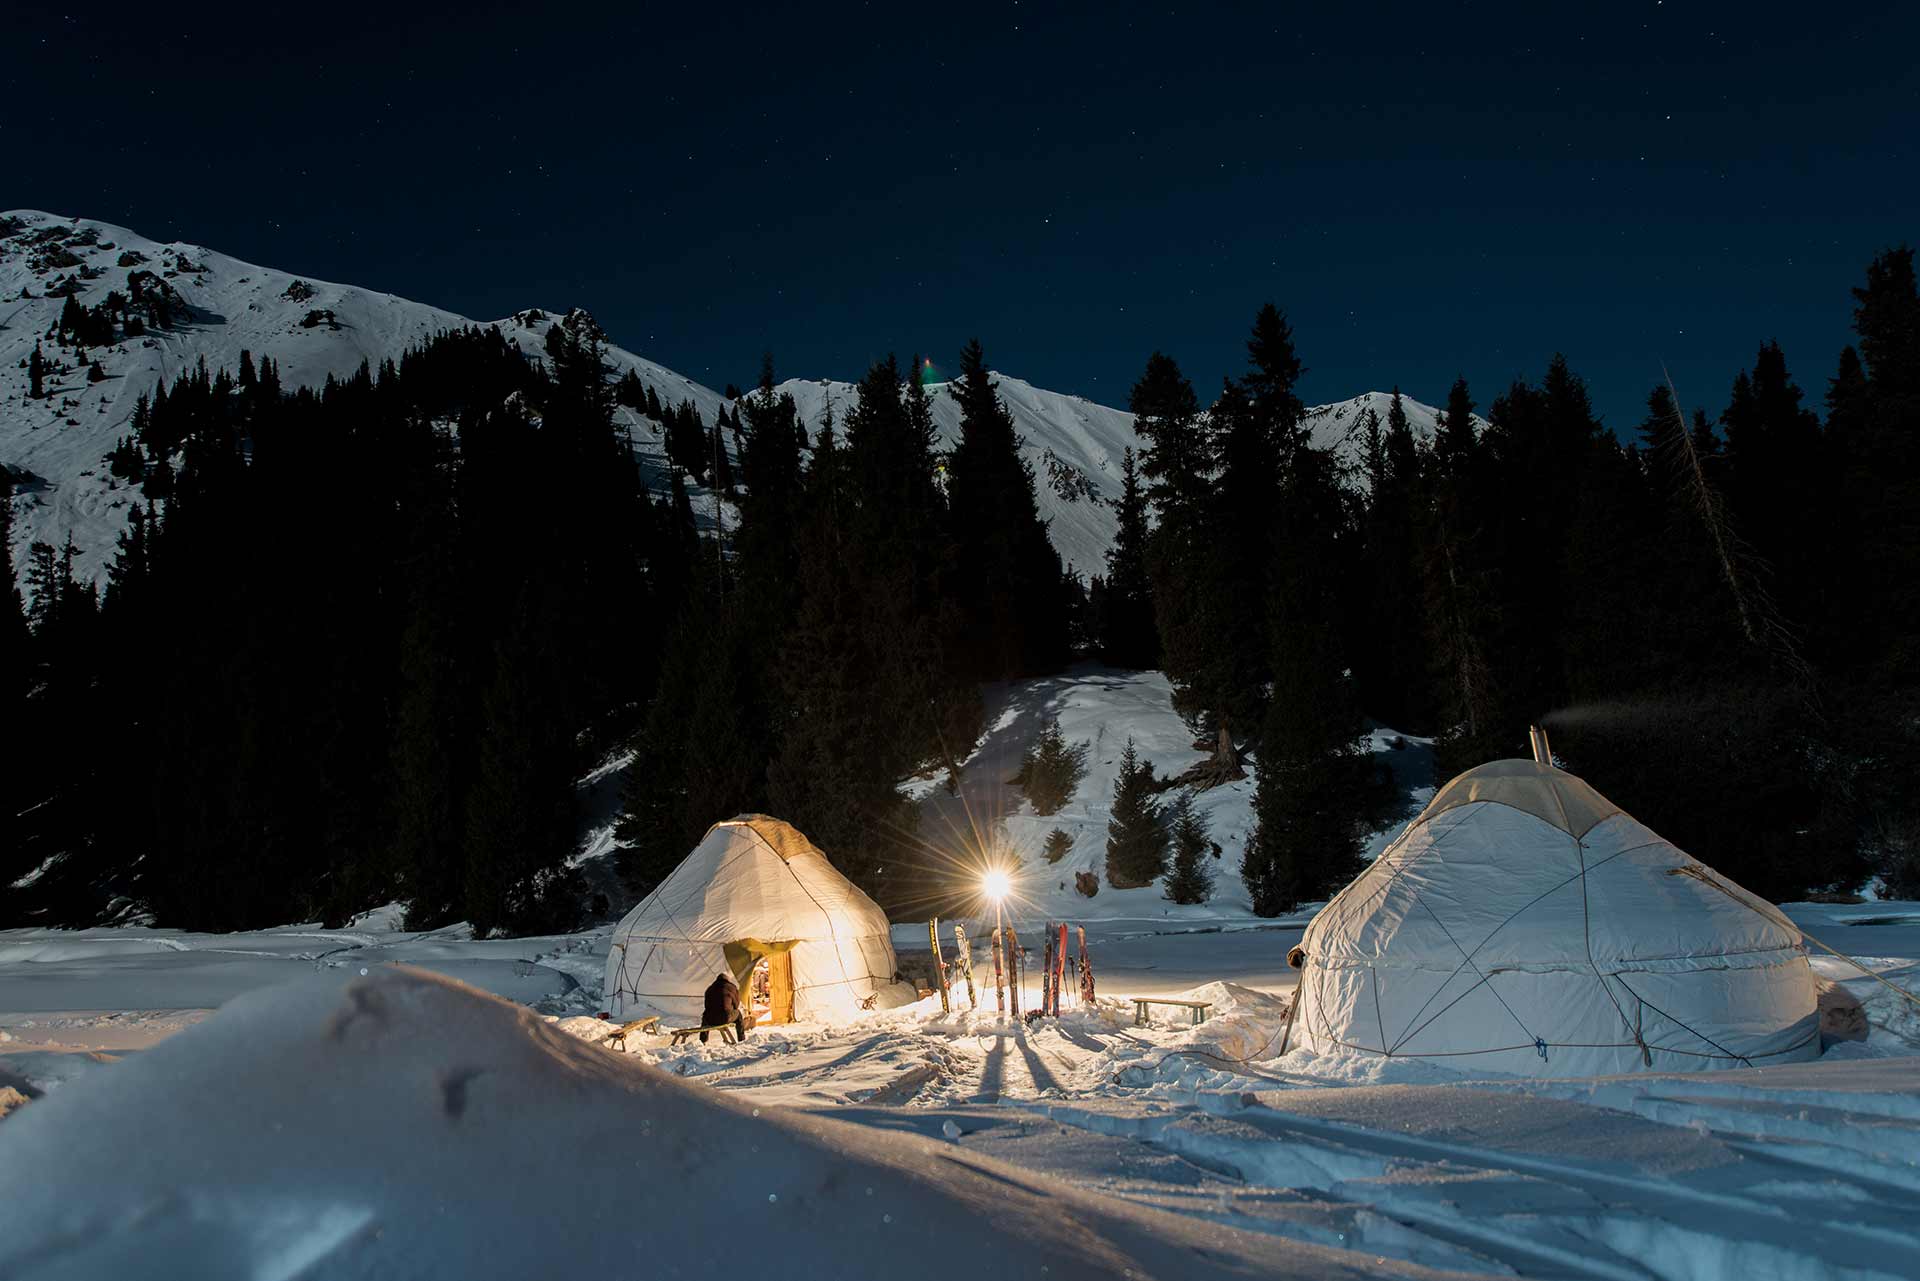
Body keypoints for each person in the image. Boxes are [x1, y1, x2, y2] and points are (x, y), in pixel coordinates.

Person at [700, 971, 748, 1043]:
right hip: (725, 1018)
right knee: (738, 1014)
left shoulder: (710, 989)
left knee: (705, 1015)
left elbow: (706, 1006)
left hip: (710, 1019)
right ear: (727, 980)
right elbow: (736, 1005)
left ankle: (703, 1040)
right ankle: (741, 1038)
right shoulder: (732, 988)